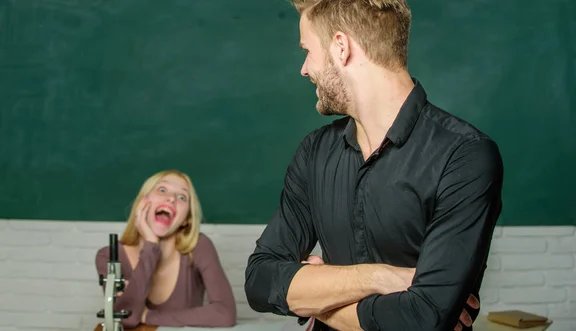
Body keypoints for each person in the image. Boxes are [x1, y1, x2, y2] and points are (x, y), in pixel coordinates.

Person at [244, 1, 503, 331]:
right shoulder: (314, 152)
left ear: (341, 47)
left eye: (308, 51)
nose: (304, 69)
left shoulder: (465, 155)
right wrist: (380, 277)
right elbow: (260, 281)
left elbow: (422, 318)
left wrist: (317, 297)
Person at [95, 170, 237, 329]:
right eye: (162, 190)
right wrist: (150, 246)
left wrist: (149, 316)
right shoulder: (108, 256)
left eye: (182, 197)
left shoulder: (199, 247)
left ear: (186, 220)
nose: (171, 198)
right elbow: (126, 318)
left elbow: (225, 314)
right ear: (142, 203)